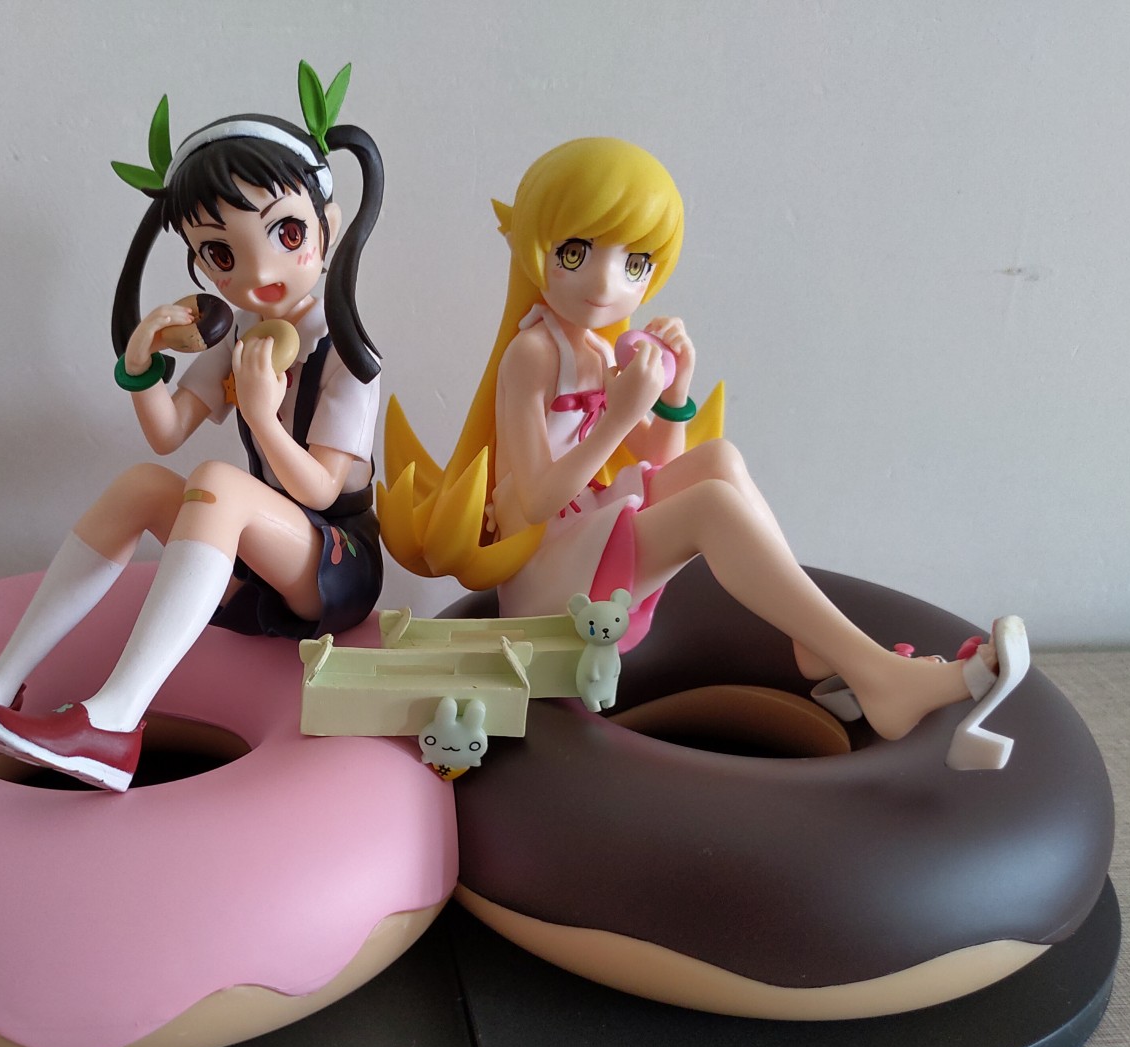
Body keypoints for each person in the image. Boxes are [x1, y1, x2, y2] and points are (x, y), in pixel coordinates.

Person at [378, 137, 1026, 769]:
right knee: (711, 507)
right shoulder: (531, 353)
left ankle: (813, 642)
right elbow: (534, 498)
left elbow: (659, 459)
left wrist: (673, 396)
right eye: (576, 253)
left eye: (634, 264)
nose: (605, 281)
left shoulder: (599, 348)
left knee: (719, 461)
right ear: (535, 248)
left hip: (586, 529)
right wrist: (618, 417)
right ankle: (880, 678)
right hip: (547, 572)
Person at [0, 64, 386, 791]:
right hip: (259, 568)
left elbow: (321, 489)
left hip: (336, 565)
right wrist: (139, 364)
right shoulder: (240, 333)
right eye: (221, 254)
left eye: (285, 232)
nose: (257, 271)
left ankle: (114, 718)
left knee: (218, 480)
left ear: (330, 226)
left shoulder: (347, 352)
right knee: (142, 483)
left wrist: (261, 415)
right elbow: (167, 434)